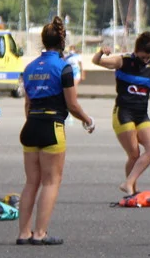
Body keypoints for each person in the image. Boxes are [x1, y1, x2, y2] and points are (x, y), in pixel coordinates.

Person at [18, 18, 95, 246]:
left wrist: (32, 121)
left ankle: (24, 233)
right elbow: (72, 105)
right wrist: (88, 120)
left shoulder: (30, 67)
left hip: (31, 125)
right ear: (62, 41)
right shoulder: (64, 67)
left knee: (31, 182)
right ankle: (40, 233)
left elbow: (27, 103)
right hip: (52, 125)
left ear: (43, 40)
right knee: (51, 182)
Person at [94, 31, 150, 196]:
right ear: (136, 52)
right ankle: (131, 189)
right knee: (134, 154)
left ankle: (128, 183)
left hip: (141, 115)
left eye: (148, 57)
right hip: (123, 113)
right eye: (142, 57)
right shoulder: (123, 61)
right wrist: (101, 52)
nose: (145, 61)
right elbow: (97, 61)